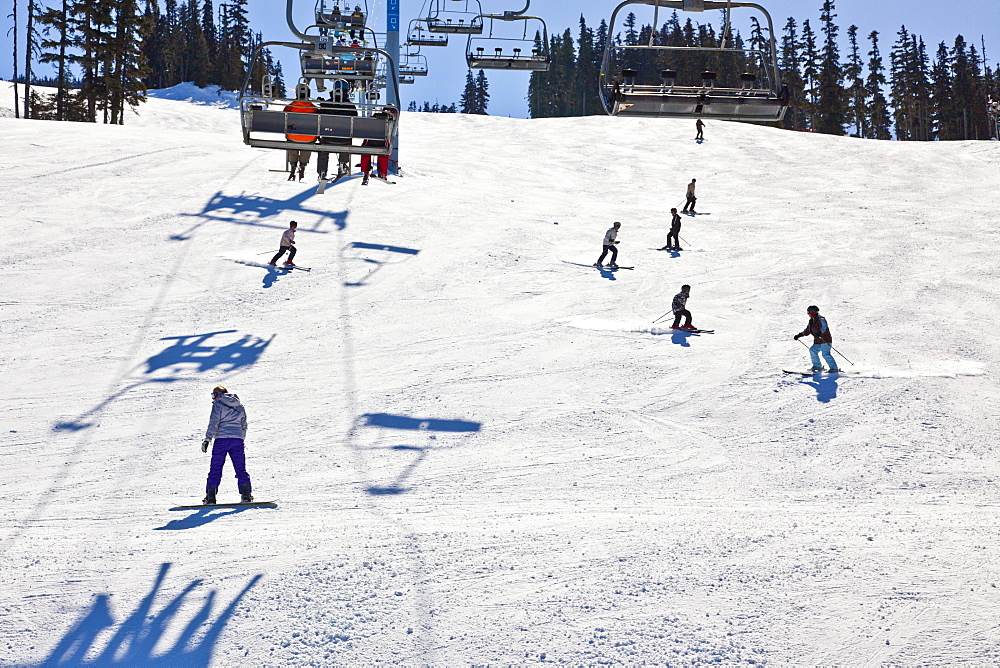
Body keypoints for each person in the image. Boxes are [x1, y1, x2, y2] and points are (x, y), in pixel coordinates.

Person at [201, 386, 253, 504]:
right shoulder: (239, 406)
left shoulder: (218, 404)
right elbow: (244, 424)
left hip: (221, 440)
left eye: (214, 395)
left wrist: (208, 439)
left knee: (216, 467)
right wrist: (240, 437)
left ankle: (211, 497)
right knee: (240, 468)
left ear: (220, 394)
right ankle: (246, 495)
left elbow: (213, 423)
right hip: (237, 440)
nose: (213, 398)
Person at [316, 83, 358, 181]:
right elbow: (355, 122)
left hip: (327, 138)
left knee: (323, 150)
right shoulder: (350, 106)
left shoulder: (327, 104)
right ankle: (342, 164)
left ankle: (322, 171)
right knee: (347, 141)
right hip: (344, 140)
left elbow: (319, 119)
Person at [793, 305, 839, 372]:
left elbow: (824, 327)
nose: (808, 314)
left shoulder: (820, 319)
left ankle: (834, 368)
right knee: (812, 350)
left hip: (825, 340)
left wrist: (820, 333)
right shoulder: (811, 321)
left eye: (808, 313)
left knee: (825, 354)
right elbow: (807, 330)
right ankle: (817, 366)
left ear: (813, 312)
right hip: (818, 341)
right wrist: (799, 335)